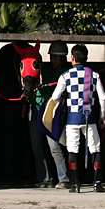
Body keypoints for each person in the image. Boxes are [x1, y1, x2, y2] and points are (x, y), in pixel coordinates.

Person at [50, 43, 105, 193]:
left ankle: (75, 185)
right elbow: (103, 97)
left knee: (72, 150)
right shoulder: (94, 75)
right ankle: (97, 183)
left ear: (73, 58)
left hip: (72, 119)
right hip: (90, 119)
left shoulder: (66, 75)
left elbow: (55, 97)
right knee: (95, 149)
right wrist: (102, 116)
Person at [28, 41, 70, 188]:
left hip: (52, 113)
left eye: (55, 57)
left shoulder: (66, 74)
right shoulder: (43, 69)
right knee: (37, 147)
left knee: (54, 147)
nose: (52, 59)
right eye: (51, 56)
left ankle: (63, 178)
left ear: (62, 58)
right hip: (36, 109)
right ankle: (44, 178)